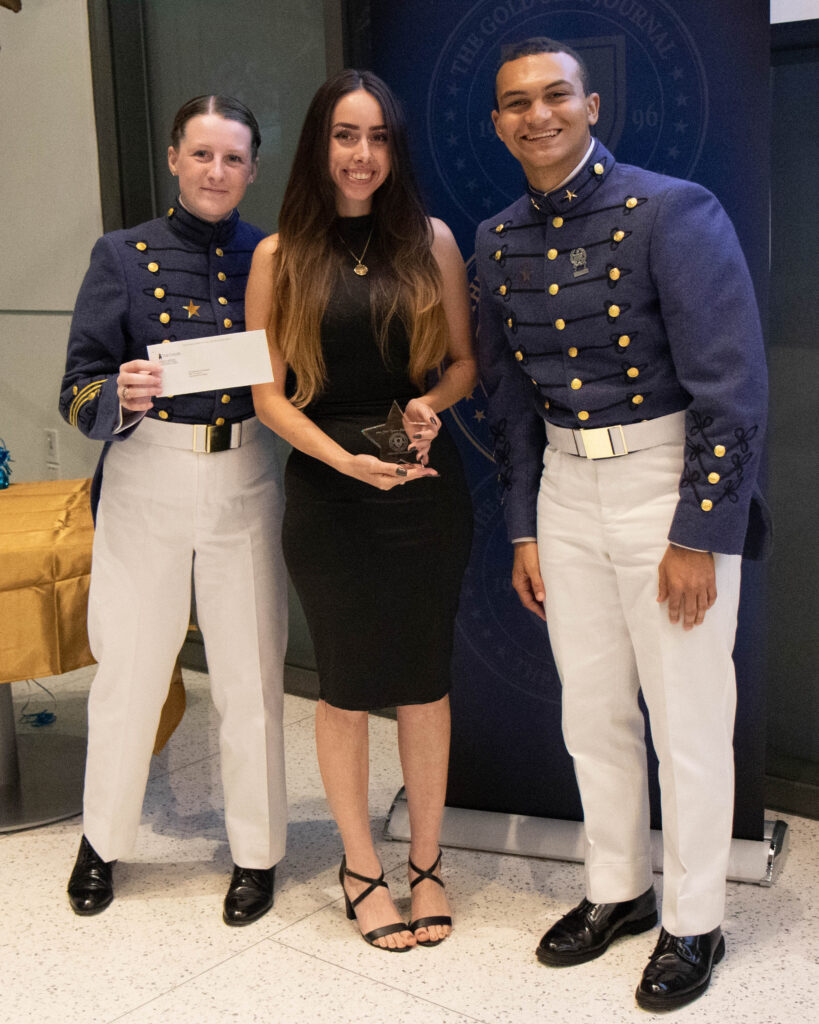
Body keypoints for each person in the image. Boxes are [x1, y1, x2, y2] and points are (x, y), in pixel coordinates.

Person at [475, 38, 768, 1010]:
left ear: (592, 104)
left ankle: (694, 919)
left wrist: (700, 531)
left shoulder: (671, 212)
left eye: (556, 95)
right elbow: (512, 405)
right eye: (517, 102)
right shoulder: (497, 239)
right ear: (497, 123)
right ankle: (618, 888)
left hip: (665, 484)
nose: (537, 115)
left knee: (688, 719)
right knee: (591, 709)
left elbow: (733, 392)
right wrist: (523, 528)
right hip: (565, 488)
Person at [248, 69, 475, 952]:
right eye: (346, 135)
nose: (362, 154)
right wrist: (341, 457)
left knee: (424, 682)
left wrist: (432, 407)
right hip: (325, 488)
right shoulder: (279, 257)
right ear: (318, 145)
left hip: (423, 484)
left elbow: (461, 363)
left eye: (378, 137)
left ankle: (424, 865)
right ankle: (359, 869)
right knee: (343, 687)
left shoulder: (431, 241)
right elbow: (267, 393)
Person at [60, 95, 288, 926]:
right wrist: (115, 396)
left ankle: (257, 853)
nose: (216, 172)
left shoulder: (274, 255)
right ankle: (102, 841)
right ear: (172, 159)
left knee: (252, 675)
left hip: (245, 474)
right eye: (201, 155)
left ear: (252, 170)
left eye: (232, 159)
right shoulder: (120, 256)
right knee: (129, 671)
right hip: (148, 474)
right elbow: (78, 384)